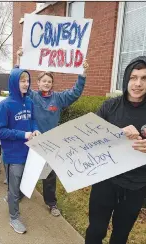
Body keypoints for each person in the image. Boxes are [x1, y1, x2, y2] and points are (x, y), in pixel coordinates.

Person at [84, 56, 146, 244]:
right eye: (133, 77)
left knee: (121, 234)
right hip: (105, 179)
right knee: (95, 230)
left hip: (137, 184)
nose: (138, 83)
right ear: (126, 78)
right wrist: (116, 134)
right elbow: (88, 141)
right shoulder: (110, 106)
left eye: (144, 78)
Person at [16, 47, 89, 217]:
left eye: (49, 81)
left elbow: (75, 92)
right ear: (39, 83)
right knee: (28, 170)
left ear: (52, 84)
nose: (47, 83)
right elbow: (19, 85)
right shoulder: (32, 96)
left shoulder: (58, 98)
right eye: (44, 81)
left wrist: (83, 74)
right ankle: (19, 193)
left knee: (49, 176)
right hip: (33, 141)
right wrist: (18, 61)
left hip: (52, 144)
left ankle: (51, 203)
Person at [0, 68, 40, 234]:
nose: (26, 84)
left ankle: (13, 202)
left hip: (30, 152)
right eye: (22, 80)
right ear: (14, 82)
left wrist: (35, 130)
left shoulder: (29, 102)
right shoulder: (5, 105)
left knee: (23, 186)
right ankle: (14, 218)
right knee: (13, 189)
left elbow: (33, 120)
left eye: (27, 80)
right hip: (13, 155)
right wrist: (23, 135)